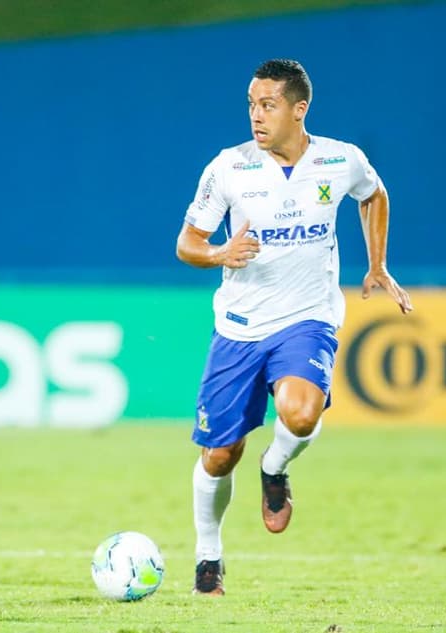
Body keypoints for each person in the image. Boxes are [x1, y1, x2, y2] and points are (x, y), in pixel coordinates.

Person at [175, 58, 413, 596]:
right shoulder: (229, 168)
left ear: (298, 109)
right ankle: (208, 553)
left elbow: (373, 194)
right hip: (240, 326)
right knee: (218, 455)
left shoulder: (339, 160)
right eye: (252, 106)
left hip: (309, 316)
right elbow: (187, 244)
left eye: (268, 105)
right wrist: (220, 253)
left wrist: (376, 265)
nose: (256, 117)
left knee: (301, 413)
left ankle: (276, 465)